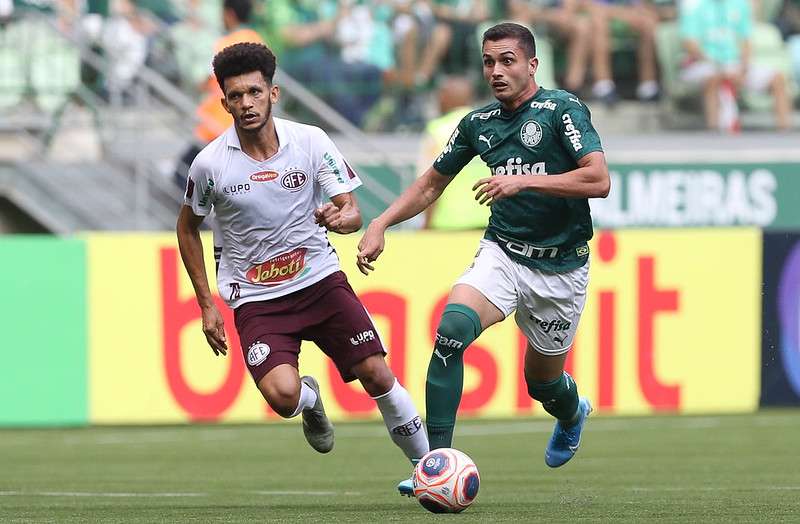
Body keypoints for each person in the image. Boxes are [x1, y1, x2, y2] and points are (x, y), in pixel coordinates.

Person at [356, 22, 609, 495]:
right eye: (489, 61)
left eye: (507, 60)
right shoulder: (476, 124)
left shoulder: (562, 109)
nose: (496, 70)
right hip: (504, 252)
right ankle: (433, 464)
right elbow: (431, 183)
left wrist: (524, 181)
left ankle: (573, 412)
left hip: (562, 267)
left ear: (532, 64)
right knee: (450, 332)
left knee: (543, 386)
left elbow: (598, 180)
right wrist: (382, 221)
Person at [176, 43, 429, 471]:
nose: (246, 103)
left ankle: (429, 466)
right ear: (224, 103)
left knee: (376, 374)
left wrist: (340, 218)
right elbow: (186, 228)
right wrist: (207, 305)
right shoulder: (210, 165)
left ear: (273, 94)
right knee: (282, 396)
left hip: (319, 281)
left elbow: (351, 211)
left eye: (255, 92)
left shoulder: (310, 141)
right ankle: (310, 399)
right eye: (236, 96)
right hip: (256, 297)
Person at [679, 0, 792, 130]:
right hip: (705, 64)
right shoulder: (695, 7)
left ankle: (784, 130)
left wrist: (743, 66)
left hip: (735, 64)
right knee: (713, 79)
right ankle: (714, 132)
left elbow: (746, 40)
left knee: (777, 78)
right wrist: (720, 67)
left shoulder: (740, 5)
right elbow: (690, 44)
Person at [418, 76, 489, 229]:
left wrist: (427, 224)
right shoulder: (489, 126)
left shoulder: (436, 130)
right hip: (489, 223)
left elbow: (430, 183)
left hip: (448, 224)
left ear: (444, 97)